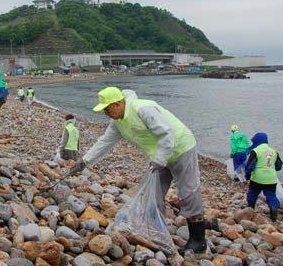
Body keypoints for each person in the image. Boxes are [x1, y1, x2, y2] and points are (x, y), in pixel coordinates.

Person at [70, 87, 206, 254]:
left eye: (107, 108)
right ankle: (156, 231)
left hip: (181, 148)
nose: (106, 113)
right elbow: (105, 142)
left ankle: (198, 240)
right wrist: (84, 161)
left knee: (188, 192)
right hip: (157, 156)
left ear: (118, 103)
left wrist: (160, 159)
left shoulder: (143, 108)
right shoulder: (118, 123)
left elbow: (166, 133)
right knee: (153, 194)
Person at [244, 132, 283, 221]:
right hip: (271, 179)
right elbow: (279, 166)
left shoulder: (256, 151)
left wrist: (247, 175)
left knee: (253, 193)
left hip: (258, 178)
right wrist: (269, 168)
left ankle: (251, 207)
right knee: (271, 195)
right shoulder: (274, 151)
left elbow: (250, 166)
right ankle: (273, 212)